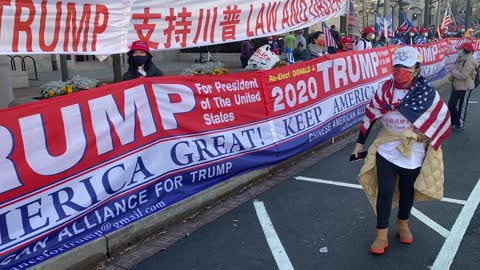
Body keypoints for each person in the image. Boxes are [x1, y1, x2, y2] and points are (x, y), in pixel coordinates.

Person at [352, 46, 451, 255]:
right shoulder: (385, 90)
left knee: (408, 191)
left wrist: (425, 134)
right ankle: (381, 233)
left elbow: (440, 116)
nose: (399, 71)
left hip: (413, 150)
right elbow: (370, 115)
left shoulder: (426, 93)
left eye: (405, 68)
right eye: (396, 66)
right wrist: (359, 144)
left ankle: (403, 223)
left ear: (416, 69)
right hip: (387, 148)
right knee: (385, 191)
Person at [448, 42, 479, 130]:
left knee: (462, 107)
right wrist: (451, 77)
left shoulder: (469, 61)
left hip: (466, 87)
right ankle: (454, 121)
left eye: (460, 49)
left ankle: (460, 123)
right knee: (451, 104)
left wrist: (453, 72)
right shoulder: (459, 58)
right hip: (456, 86)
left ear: (465, 51)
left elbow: (463, 75)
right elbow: (456, 70)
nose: (458, 51)